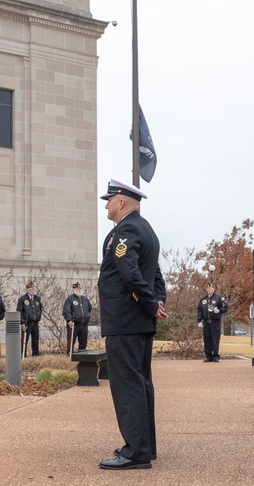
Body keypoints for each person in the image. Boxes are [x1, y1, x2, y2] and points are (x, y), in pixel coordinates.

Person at [96, 178, 168, 470]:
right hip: (138, 321)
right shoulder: (146, 229)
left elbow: (130, 274)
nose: (106, 205)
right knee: (140, 384)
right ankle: (144, 446)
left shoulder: (125, 231)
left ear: (122, 201)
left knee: (127, 385)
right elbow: (156, 275)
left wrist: (152, 303)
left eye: (109, 200)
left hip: (124, 320)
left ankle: (135, 452)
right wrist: (157, 302)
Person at [197, 282, 228, 362]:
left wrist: (219, 311)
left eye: (210, 288)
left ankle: (215, 356)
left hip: (215, 322)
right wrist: (199, 321)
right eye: (207, 288)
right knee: (207, 339)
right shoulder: (203, 299)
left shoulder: (218, 298)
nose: (209, 290)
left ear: (213, 289)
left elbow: (225, 307)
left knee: (215, 339)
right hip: (206, 322)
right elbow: (199, 310)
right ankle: (208, 356)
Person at [63, 281, 92, 353]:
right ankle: (69, 355)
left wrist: (87, 316)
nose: (79, 290)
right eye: (77, 289)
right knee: (71, 341)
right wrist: (69, 320)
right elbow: (66, 311)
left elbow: (89, 308)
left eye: (80, 288)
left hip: (84, 324)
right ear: (74, 290)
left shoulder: (85, 299)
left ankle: (82, 356)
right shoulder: (70, 299)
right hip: (74, 324)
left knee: (83, 342)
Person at [17, 281, 43, 357]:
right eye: (31, 289)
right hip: (26, 323)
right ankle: (23, 355)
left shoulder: (37, 298)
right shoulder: (22, 299)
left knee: (35, 340)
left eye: (33, 289)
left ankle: (35, 355)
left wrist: (38, 316)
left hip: (35, 322)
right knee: (24, 340)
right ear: (27, 289)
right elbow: (19, 311)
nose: (32, 290)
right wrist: (22, 322)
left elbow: (39, 309)